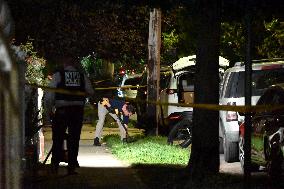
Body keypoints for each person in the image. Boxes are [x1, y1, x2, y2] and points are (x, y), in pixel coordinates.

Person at [45, 55, 94, 174]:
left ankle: (55, 166)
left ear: (64, 64)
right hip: (77, 111)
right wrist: (79, 95)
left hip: (62, 111)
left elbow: (50, 95)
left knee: (58, 138)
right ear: (75, 64)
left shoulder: (58, 75)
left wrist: (49, 110)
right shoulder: (82, 76)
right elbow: (90, 92)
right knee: (74, 139)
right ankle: (71, 166)